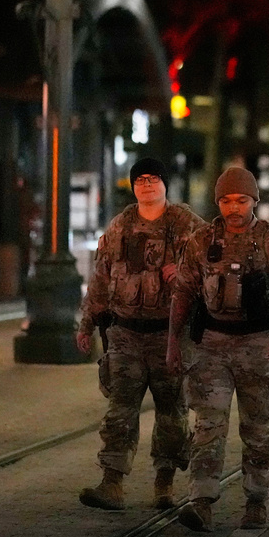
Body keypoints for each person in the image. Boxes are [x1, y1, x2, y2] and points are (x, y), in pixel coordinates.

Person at [166, 166, 269, 532]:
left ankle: (256, 500)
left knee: (257, 429)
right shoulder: (200, 242)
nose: (233, 207)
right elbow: (183, 293)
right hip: (211, 344)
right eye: (226, 201)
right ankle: (201, 500)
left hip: (258, 344)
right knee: (208, 424)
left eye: (241, 200)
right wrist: (173, 342)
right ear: (217, 202)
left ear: (254, 202)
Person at [76, 157, 205, 511]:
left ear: (165, 184)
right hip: (126, 333)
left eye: (154, 179)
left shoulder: (187, 225)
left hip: (170, 335)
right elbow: (100, 279)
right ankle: (111, 483)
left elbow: (212, 265)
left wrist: (181, 274)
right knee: (120, 411)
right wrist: (86, 324)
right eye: (140, 180)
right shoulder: (120, 227)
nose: (147, 185)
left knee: (172, 415)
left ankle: (165, 483)